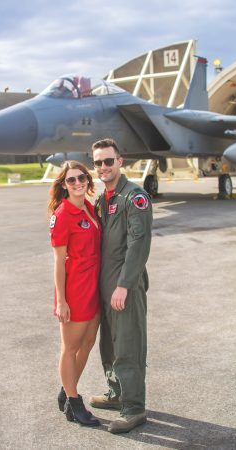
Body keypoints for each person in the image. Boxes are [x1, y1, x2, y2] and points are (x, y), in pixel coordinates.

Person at [89, 138, 152, 434]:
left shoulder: (134, 197)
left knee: (129, 345)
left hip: (123, 288)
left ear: (120, 161)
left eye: (108, 161)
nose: (103, 167)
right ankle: (116, 394)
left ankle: (134, 407)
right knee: (109, 345)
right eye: (98, 162)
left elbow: (139, 243)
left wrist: (124, 285)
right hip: (105, 288)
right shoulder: (105, 199)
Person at [48, 161, 101, 427]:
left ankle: (66, 390)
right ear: (64, 184)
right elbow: (58, 261)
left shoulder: (90, 207)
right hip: (75, 289)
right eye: (71, 180)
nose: (78, 182)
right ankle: (74, 403)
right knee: (70, 348)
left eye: (82, 177)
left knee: (88, 343)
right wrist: (62, 301)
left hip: (94, 286)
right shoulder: (62, 214)